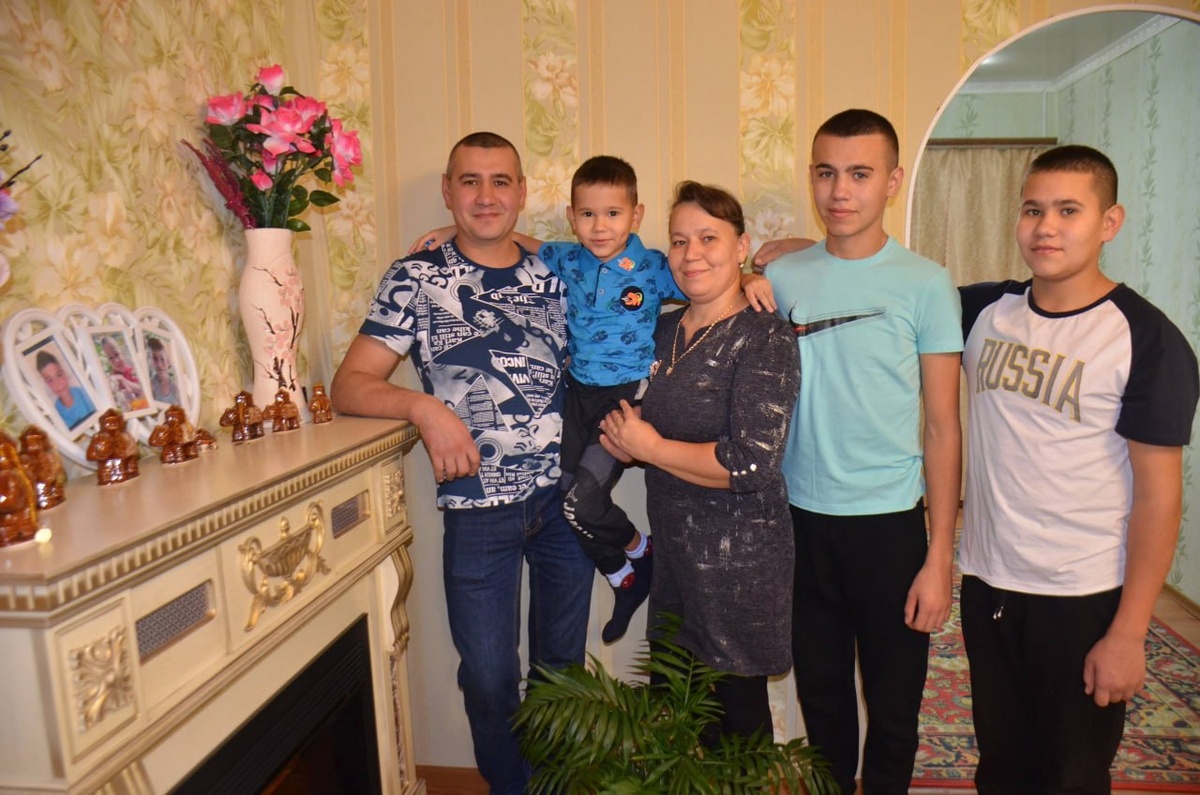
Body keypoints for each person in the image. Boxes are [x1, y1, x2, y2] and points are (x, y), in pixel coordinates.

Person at [330, 131, 593, 794]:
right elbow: (350, 386)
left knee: (561, 671)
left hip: (566, 501)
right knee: (487, 675)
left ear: (522, 192)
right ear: (448, 191)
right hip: (478, 512)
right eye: (469, 181)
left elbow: (636, 277)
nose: (485, 195)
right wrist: (425, 409)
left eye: (501, 180)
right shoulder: (415, 278)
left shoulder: (560, 274)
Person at [958, 145, 1199, 794]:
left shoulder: (1146, 340)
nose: (1046, 227)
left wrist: (1130, 632)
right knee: (1001, 769)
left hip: (1083, 596)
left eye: (1069, 210)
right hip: (989, 583)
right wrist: (815, 253)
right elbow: (894, 297)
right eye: (1032, 209)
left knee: (1072, 776)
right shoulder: (985, 311)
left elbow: (1159, 499)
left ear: (1109, 222)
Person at [752, 109, 963, 794]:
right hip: (800, 525)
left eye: (860, 174)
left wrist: (940, 556)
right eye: (826, 172)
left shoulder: (926, 283)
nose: (840, 190)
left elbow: (943, 428)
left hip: (890, 529)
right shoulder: (783, 277)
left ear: (892, 182)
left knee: (895, 713)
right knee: (824, 708)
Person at [411, 155, 682, 643]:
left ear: (636, 216)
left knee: (582, 502)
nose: (600, 226)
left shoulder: (654, 267)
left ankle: (638, 553)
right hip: (577, 394)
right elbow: (514, 240)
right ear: (572, 216)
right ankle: (626, 574)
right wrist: (450, 229)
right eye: (588, 214)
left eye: (613, 214)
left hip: (623, 398)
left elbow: (706, 282)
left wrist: (749, 279)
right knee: (563, 496)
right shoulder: (567, 259)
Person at [597, 180, 800, 739]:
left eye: (709, 238)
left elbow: (752, 462)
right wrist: (627, 441)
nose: (692, 254)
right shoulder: (661, 329)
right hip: (675, 560)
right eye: (680, 241)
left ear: (741, 247)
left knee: (737, 732)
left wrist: (650, 448)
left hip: (739, 566)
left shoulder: (764, 336)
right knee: (678, 731)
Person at [36, 350, 95, 430]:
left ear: (64, 373)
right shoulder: (56, 414)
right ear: (46, 384)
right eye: (50, 380)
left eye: (59, 375)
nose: (58, 384)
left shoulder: (84, 393)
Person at [146, 336, 181, 405]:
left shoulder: (176, 386)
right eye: (155, 359)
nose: (159, 365)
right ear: (150, 362)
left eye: (162, 359)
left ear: (168, 361)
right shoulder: (151, 386)